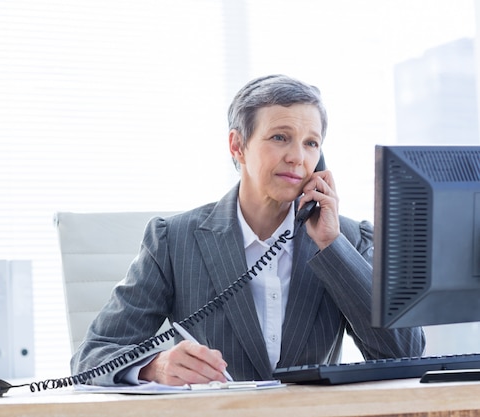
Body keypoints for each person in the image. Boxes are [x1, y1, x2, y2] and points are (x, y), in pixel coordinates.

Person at [70, 74, 425, 386]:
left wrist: (332, 247)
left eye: (311, 143)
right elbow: (92, 357)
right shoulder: (173, 240)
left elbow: (405, 354)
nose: (298, 157)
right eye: (280, 137)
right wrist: (154, 366)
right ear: (238, 146)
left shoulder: (350, 239)